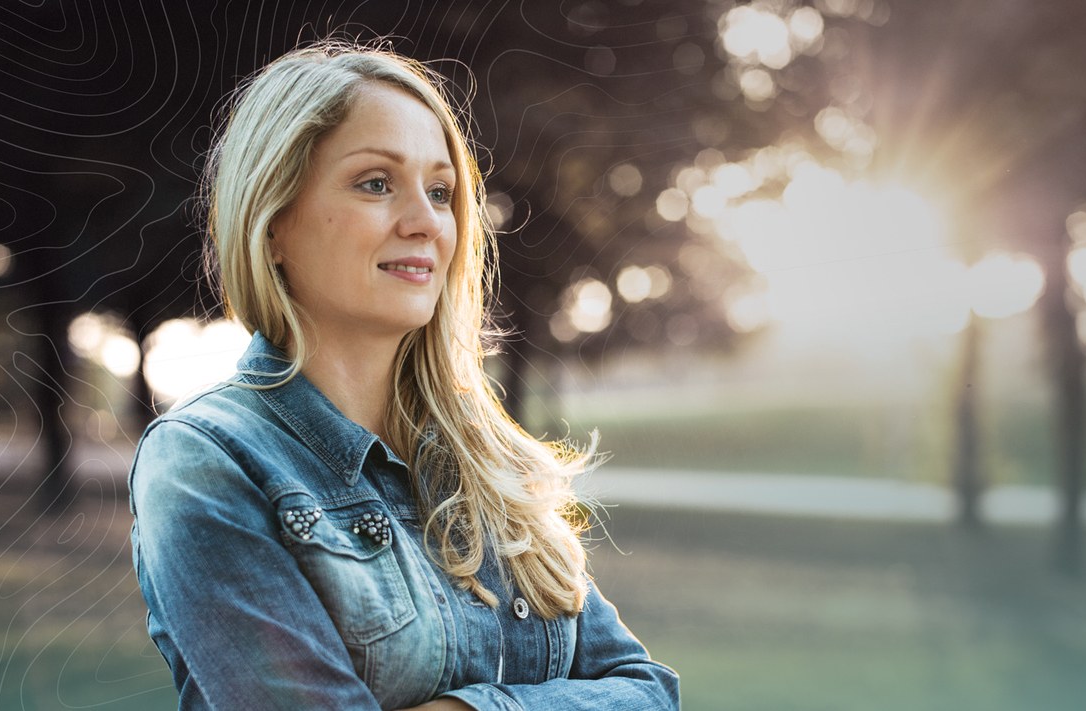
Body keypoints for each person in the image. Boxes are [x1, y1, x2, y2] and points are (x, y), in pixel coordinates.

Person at [128, 41, 680, 710]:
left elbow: (649, 691)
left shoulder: (486, 459)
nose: (425, 222)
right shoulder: (206, 460)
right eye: (376, 183)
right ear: (273, 220)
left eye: (441, 191)